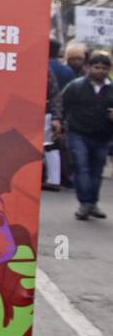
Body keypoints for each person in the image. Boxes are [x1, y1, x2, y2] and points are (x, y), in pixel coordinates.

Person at [59, 49, 113, 221]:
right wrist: (59, 124)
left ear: (109, 70)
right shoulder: (76, 86)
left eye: (104, 68)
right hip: (78, 133)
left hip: (103, 136)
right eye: (96, 67)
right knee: (81, 167)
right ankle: (84, 204)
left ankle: (92, 203)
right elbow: (61, 104)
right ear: (89, 67)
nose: (100, 71)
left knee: (96, 171)